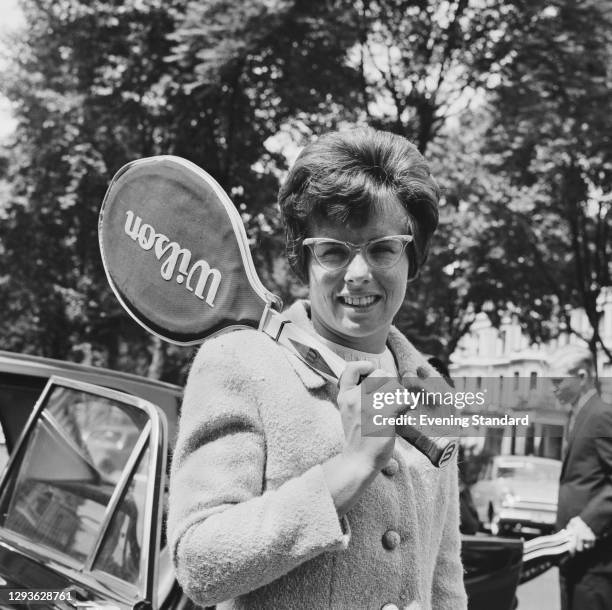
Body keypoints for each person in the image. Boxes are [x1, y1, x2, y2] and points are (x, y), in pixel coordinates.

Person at [167, 128, 467, 609]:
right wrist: (348, 470)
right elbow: (199, 565)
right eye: (333, 250)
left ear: (412, 258)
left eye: (382, 248)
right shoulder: (242, 363)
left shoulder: (432, 389)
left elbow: (445, 576)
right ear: (304, 258)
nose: (358, 274)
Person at [548, 344, 612, 610]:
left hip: (595, 559)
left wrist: (589, 521)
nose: (553, 388)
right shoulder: (575, 416)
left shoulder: (601, 415)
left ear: (582, 376)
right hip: (572, 554)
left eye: (558, 381)